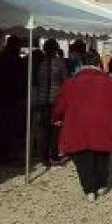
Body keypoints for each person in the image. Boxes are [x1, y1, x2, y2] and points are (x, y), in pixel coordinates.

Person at [52, 54, 112, 202]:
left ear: (81, 66)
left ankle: (89, 190)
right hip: (104, 125)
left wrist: (56, 117)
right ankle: (101, 184)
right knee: (102, 155)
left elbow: (60, 105)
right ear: (99, 65)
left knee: (82, 158)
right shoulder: (111, 84)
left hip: (78, 126)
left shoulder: (70, 83)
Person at [0, 36, 27, 163]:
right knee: (10, 127)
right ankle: (7, 154)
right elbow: (21, 80)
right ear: (16, 46)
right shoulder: (16, 61)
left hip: (1, 98)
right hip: (13, 99)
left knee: (0, 127)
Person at [35, 39, 68, 167]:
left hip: (42, 100)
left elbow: (37, 80)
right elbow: (65, 82)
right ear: (56, 49)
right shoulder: (60, 64)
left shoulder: (41, 64)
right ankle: (53, 155)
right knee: (55, 129)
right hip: (56, 101)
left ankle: (43, 157)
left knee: (44, 129)